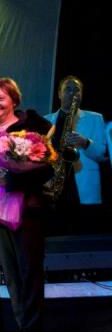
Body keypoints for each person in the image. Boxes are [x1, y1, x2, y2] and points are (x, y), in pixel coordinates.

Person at [0, 78, 53, 332]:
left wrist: (15, 178)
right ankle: (21, 327)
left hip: (28, 210)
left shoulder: (31, 129)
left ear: (14, 101)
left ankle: (32, 330)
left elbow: (48, 169)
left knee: (30, 270)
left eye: (0, 98)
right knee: (10, 273)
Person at [44, 76, 106, 234]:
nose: (73, 93)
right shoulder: (46, 121)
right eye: (68, 89)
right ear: (59, 94)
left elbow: (102, 154)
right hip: (54, 189)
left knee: (85, 238)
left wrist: (85, 142)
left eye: (77, 90)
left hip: (83, 190)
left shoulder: (95, 119)